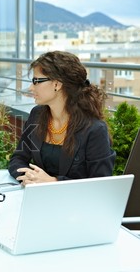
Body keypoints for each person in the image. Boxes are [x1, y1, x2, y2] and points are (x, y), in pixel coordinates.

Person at [8, 51, 115, 185]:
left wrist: (54, 182)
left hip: (76, 204)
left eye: (36, 81)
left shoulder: (94, 129)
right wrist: (29, 177)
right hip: (38, 198)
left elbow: (101, 183)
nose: (30, 87)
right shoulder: (37, 115)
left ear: (57, 85)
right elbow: (18, 158)